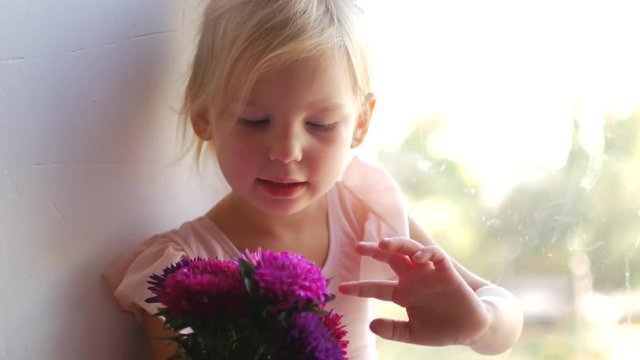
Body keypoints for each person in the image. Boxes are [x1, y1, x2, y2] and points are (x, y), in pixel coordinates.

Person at [104, 0, 523, 359]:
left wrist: (479, 324)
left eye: (320, 125)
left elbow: (504, 312)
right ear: (203, 116)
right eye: (255, 121)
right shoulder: (182, 273)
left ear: (360, 124)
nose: (286, 151)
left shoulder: (364, 208)